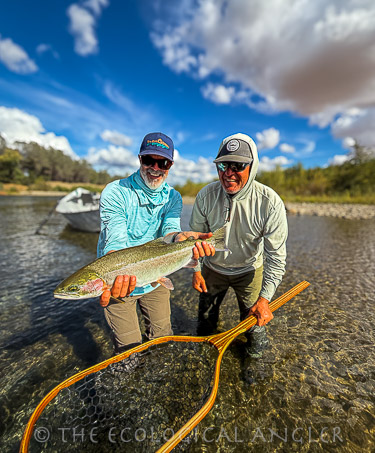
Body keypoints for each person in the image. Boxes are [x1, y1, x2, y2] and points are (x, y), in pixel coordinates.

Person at [97, 132, 214, 354]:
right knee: (128, 350)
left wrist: (181, 240)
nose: (155, 168)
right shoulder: (115, 192)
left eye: (163, 162)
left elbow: (170, 232)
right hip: (119, 279)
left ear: (170, 165)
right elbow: (116, 241)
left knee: (162, 338)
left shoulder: (174, 197)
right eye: (149, 160)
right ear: (140, 159)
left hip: (155, 276)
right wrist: (117, 274)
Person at [189, 133, 288, 359]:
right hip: (212, 270)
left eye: (238, 166)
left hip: (249, 271)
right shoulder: (205, 195)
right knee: (205, 322)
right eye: (223, 165)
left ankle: (254, 367)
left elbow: (276, 257)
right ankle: (201, 358)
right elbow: (193, 241)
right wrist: (196, 271)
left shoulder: (270, 202)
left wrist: (265, 299)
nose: (228, 173)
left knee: (255, 327)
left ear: (252, 167)